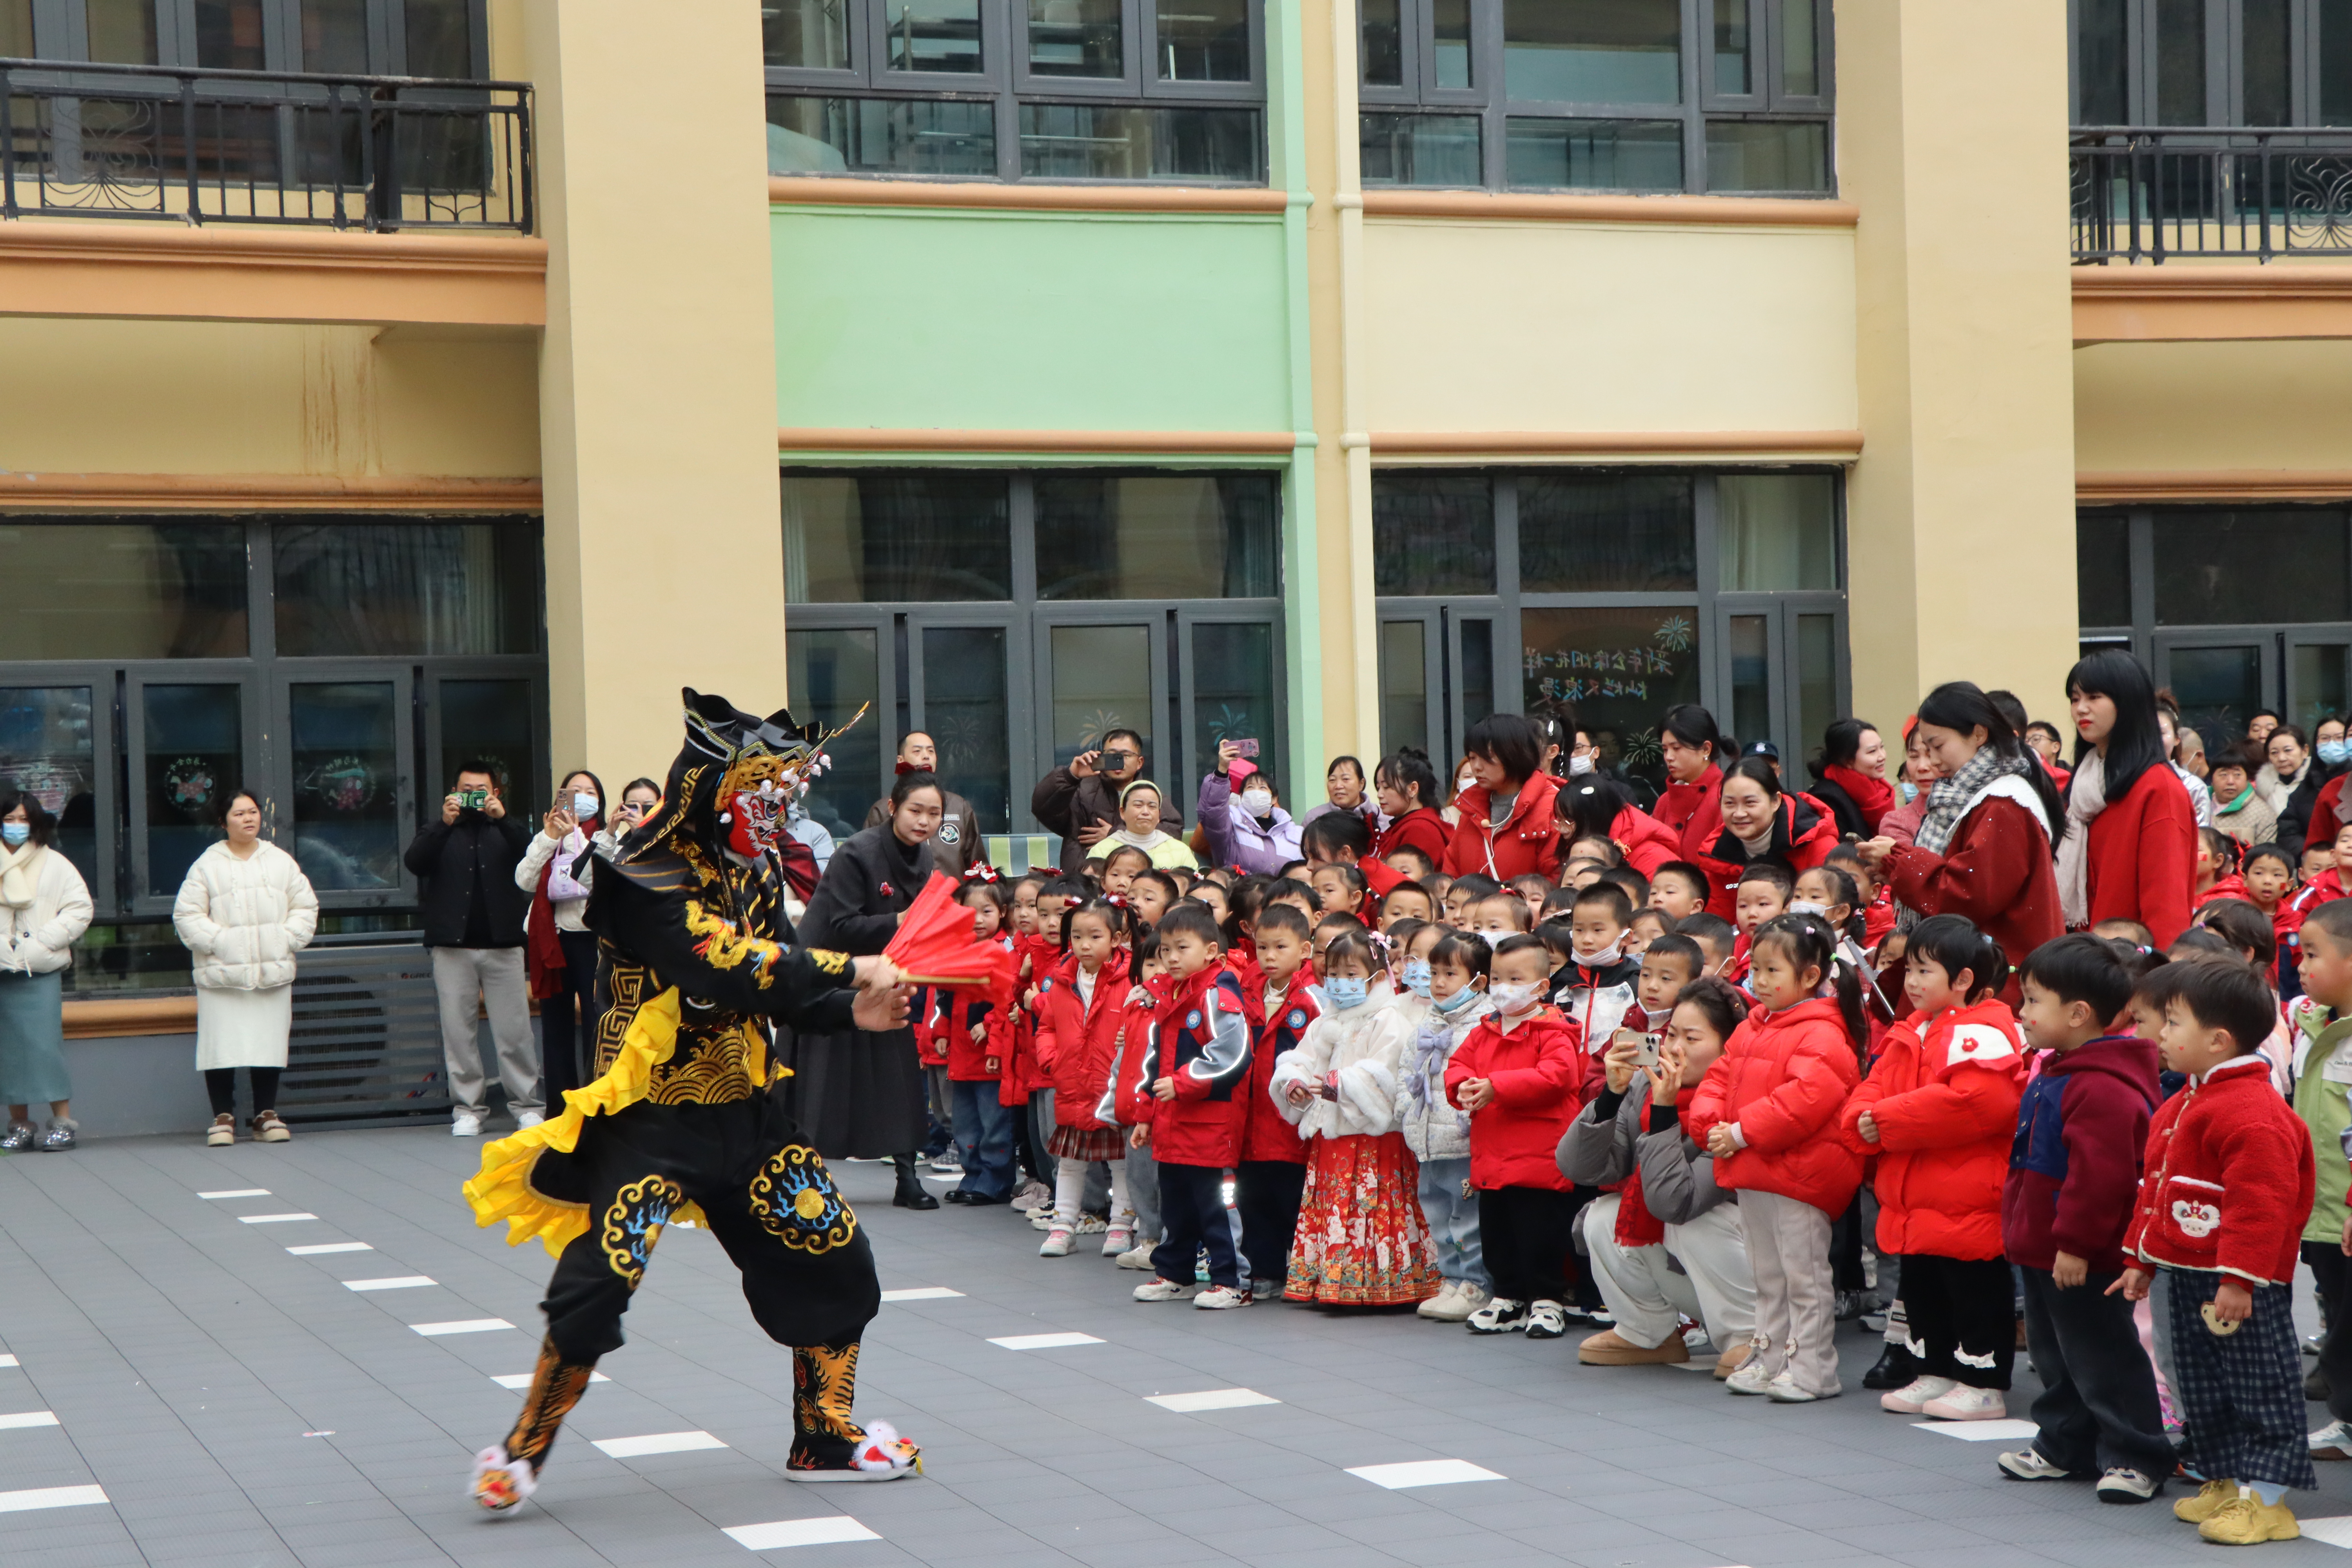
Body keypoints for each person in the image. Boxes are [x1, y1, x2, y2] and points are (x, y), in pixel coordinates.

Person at [461, 691, 918, 1510]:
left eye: (787, 797)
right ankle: (524, 1447)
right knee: (603, 1276)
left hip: (746, 1109)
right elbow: (724, 962)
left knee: (835, 1251)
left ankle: (824, 1433)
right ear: (713, 790)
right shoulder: (640, 871)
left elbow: (775, 985)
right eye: (763, 796)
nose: (777, 814)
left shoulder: (757, 867)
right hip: (655, 1120)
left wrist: (851, 1009)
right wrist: (850, 973)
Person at [2118, 959, 2318, 1545]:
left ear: (2217, 1039)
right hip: (2188, 1271)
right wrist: (2140, 1259)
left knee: (2261, 1383)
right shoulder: (2187, 1100)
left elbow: (2262, 1206)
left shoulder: (2253, 1113)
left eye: (2172, 1021)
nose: (2158, 1033)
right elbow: (2154, 1189)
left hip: (2237, 1283)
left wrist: (2241, 1279)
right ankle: (2229, 1482)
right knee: (2206, 1384)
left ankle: (2269, 1500)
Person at [1996, 933, 2171, 1501]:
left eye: (2031, 1002)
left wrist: (2073, 1243)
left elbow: (2100, 1179)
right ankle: (2064, 1443)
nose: (2022, 1013)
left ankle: (2136, 1454)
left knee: (2103, 1354)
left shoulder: (2102, 1087)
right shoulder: (2060, 1069)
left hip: (2080, 1254)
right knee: (2056, 1355)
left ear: (2077, 1014)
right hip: (2043, 1246)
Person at [1841, 916, 2027, 1422]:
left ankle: (1983, 1382)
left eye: (1925, 971)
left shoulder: (1983, 1030)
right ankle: (1936, 1370)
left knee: (1973, 1290)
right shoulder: (1914, 1029)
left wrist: (1883, 1121)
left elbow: (1976, 1103)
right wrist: (1863, 1119)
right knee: (1923, 1289)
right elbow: (1873, 1088)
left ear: (1963, 980)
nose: (1913, 981)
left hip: (1966, 1193)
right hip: (1915, 1194)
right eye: (1911, 970)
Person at [1689, 914, 1867, 1402]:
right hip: (1757, 1168)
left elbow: (1807, 1098)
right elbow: (1718, 1078)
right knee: (1768, 1276)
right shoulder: (1755, 1025)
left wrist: (1740, 1133)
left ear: (1811, 976)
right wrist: (1711, 1126)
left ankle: (1812, 1368)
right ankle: (1771, 1358)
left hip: (1799, 1174)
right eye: (1758, 970)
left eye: (1773, 971)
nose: (1760, 981)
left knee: (1803, 1277)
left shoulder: (1824, 1031)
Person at [1561, 976, 1759, 1375]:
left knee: (1696, 1223)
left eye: (1692, 1038)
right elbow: (1581, 1168)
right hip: (1689, 1253)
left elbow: (1679, 1201)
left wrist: (1665, 1112)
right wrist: (1610, 1096)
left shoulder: (1742, 1097)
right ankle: (1646, 1331)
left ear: (1729, 1046)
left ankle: (1751, 1335)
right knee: (1603, 1216)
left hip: (1751, 1263)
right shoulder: (1643, 1084)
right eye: (1670, 1034)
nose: (1673, 1049)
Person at [791, 771, 946, 1212]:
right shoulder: (857, 852)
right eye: (916, 810)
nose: (924, 821)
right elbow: (838, 926)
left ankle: (907, 1177)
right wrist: (902, 920)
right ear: (894, 808)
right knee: (821, 1081)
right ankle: (808, 1180)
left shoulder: (926, 856)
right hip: (829, 975)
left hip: (887, 974)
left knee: (898, 1077)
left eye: (933, 813)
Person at [1272, 927, 1436, 1305]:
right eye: (1333, 975)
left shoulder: (1389, 1018)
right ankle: (1332, 1279)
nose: (1340, 984)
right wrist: (1293, 1083)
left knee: (1374, 1203)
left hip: (1376, 1139)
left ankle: (1382, 1283)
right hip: (1331, 1136)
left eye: (1351, 975)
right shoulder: (1326, 1021)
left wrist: (1333, 1085)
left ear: (1378, 977)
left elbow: (1387, 1076)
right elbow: (1302, 1059)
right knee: (1334, 1203)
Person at [1862, 682, 2065, 976]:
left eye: (1938, 746)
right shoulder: (1984, 796)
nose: (1932, 761)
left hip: (2001, 976)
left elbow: (1969, 893)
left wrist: (1900, 861)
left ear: (1979, 734)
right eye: (1924, 750)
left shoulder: (2004, 804)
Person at [1445, 933, 1586, 1338]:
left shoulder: (1553, 1030)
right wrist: (1463, 1086)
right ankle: (1507, 1297)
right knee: (1497, 1230)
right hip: (1493, 1154)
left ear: (1542, 986)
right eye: (1496, 978)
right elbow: (1458, 1064)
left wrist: (1495, 1086)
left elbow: (1557, 1077)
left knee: (1540, 1230)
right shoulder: (1484, 1030)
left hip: (1539, 1156)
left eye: (1515, 978)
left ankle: (1547, 1300)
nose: (1502, 988)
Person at [173, 789, 319, 1147]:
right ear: (223, 822)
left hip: (271, 971)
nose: (248, 819)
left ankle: (265, 1115)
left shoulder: (279, 861)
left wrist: (284, 939)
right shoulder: (207, 865)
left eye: (253, 812)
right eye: (239, 814)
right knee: (221, 1045)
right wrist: (221, 943)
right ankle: (223, 1116)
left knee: (267, 1044)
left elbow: (305, 906)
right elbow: (187, 916)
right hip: (222, 976)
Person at [1126, 903, 1254, 1309]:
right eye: (1166, 950)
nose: (1172, 958)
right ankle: (1175, 1273)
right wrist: (1146, 1113)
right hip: (1171, 1124)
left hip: (1211, 1126)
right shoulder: (1168, 995)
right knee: (1176, 1208)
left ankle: (1231, 1280)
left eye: (1182, 948)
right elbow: (1154, 1059)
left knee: (1218, 1206)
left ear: (1211, 950)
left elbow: (1233, 1055)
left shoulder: (1219, 993)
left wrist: (1181, 1084)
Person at [405, 761, 540, 1137]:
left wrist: (505, 819)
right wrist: (443, 824)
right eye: (466, 790)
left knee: (514, 1032)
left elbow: (534, 857)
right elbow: (414, 862)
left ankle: (527, 1105)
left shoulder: (507, 829)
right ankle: (468, 1108)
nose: (473, 797)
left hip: (504, 944)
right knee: (458, 1032)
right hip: (452, 946)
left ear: (495, 793)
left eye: (481, 790)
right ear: (453, 792)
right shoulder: (441, 830)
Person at [2058, 652, 2198, 949]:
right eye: (2074, 698)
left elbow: (2166, 904)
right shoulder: (2084, 783)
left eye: (2094, 697)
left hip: (2130, 966)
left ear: (2128, 702)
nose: (2081, 708)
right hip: (2087, 957)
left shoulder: (2157, 788)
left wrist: (2157, 979)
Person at [1398, 928, 1494, 1322]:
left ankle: (1477, 1284)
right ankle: (1452, 1279)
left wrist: (1465, 1119)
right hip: (1426, 1139)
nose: (1438, 982)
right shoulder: (1429, 1021)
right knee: (1438, 1214)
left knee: (1467, 1218)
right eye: (1434, 972)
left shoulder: (1484, 1023)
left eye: (1450, 974)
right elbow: (1408, 1072)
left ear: (1479, 981)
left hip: (1462, 1140)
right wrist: (1409, 1112)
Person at [1035, 896, 1135, 1257]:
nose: (1084, 945)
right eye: (1077, 937)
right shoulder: (1062, 980)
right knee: (1071, 1162)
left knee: (1121, 1160)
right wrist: (1052, 1060)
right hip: (1073, 1084)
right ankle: (1064, 1226)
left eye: (1095, 936)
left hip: (1112, 1086)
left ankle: (1120, 1226)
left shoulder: (1131, 980)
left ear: (1117, 938)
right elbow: (1046, 1026)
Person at [0, 787, 92, 1152]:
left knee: (44, 1048)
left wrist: (43, 941)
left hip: (39, 971)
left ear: (36, 823)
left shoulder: (55, 863)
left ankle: (63, 1123)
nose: (16, 826)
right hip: (2, 969)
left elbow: (80, 908)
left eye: (24, 820)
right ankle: (20, 1125)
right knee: (8, 1052)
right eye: (9, 820)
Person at [2296, 904, 2352, 1458]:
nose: (2303, 966)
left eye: (2314, 954)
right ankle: (2349, 1421)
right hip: (2320, 1208)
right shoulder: (2311, 1023)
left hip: (2349, 1208)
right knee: (2336, 1310)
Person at [519, 770, 610, 1110]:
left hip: (589, 941)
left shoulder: (605, 836)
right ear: (561, 799)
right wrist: (548, 836)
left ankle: (593, 1107)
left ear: (599, 801)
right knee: (555, 1027)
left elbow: (588, 876)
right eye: (574, 791)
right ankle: (559, 1110)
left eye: (589, 792)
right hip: (551, 941)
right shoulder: (549, 836)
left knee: (594, 1023)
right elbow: (525, 880)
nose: (582, 797)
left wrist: (572, 836)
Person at [1691, 756, 1836, 920]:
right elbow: (1719, 925)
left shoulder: (1818, 847)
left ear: (1776, 802)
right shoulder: (1716, 858)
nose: (1739, 814)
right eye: (1730, 804)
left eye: (1750, 803)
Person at [1441, 715, 1563, 882]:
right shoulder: (1471, 807)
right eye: (1472, 758)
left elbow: (1555, 879)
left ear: (1515, 754)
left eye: (1487, 758)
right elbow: (1451, 872)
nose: (1476, 767)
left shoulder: (1553, 806)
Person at [1033, 728, 1165, 878]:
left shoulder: (1151, 795)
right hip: (1084, 882)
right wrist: (1071, 776)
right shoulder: (1080, 791)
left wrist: (1116, 834)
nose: (1118, 761)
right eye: (1112, 755)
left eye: (1126, 755)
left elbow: (1171, 832)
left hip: (1136, 885)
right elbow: (1044, 809)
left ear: (1140, 762)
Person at [865, 732, 986, 880]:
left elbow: (978, 865)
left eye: (931, 751)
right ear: (900, 760)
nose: (926, 756)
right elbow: (869, 864)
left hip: (952, 899)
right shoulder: (883, 809)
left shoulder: (959, 806)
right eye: (917, 751)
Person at [1199, 743, 1303, 874]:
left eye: (1263, 788)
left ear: (1274, 799)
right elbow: (1213, 812)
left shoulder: (1295, 833)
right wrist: (1222, 770)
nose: (1256, 792)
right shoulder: (1231, 824)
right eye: (1250, 788)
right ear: (1242, 796)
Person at [1653, 704, 1730, 857]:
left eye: (1676, 748)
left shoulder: (1726, 797)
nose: (1669, 757)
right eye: (1665, 749)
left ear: (1706, 749)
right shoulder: (1664, 802)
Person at [1809, 719, 1894, 840]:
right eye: (1872, 751)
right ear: (1847, 760)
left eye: (1882, 747)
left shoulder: (1881, 790)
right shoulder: (1826, 798)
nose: (1882, 756)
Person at [1372, 749, 1452, 867]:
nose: (1380, 795)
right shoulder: (1405, 826)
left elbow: (1413, 882)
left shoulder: (1420, 830)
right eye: (1378, 788)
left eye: (1387, 787)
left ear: (1413, 789)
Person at [1102, 780, 1197, 871]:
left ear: (1159, 815)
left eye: (1152, 807)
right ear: (1122, 812)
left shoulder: (1181, 851)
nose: (1146, 812)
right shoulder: (1102, 850)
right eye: (1138, 805)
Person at [2258, 725, 2320, 848]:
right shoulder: (2263, 788)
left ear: (2305, 751)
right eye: (2274, 753)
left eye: (2288, 751)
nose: (2281, 758)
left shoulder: (2317, 782)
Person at [2210, 748, 2278, 848]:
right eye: (2223, 775)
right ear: (2211, 780)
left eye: (2237, 775)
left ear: (2248, 780)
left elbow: (2264, 855)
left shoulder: (2263, 814)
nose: (2230, 781)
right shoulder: (2198, 803)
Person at [1302, 755, 1374, 830]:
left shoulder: (1379, 815)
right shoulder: (1314, 817)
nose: (1338, 786)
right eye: (1332, 780)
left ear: (1361, 784)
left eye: (1346, 779)